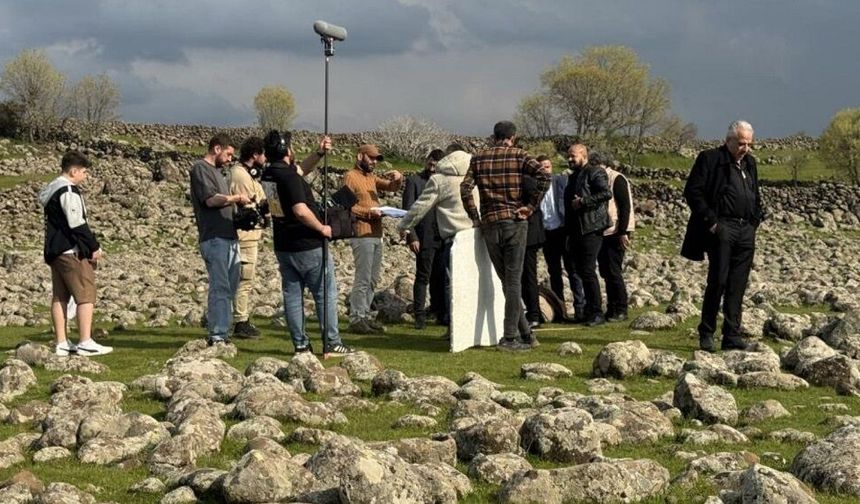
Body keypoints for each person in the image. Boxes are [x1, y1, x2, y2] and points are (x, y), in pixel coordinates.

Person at [260, 130, 354, 356]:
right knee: (325, 293)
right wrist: (322, 228)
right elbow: (301, 211)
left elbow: (302, 169)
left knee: (292, 296)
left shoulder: (270, 174)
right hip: (308, 244)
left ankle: (301, 345)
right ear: (285, 150)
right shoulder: (289, 177)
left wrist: (319, 153)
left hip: (283, 244)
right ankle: (331, 342)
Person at [460, 121, 550, 351]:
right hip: (514, 221)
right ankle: (509, 338)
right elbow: (544, 177)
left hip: (490, 224)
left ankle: (526, 335)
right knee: (512, 282)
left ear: (494, 136)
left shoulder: (478, 158)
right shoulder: (519, 156)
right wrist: (530, 206)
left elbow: (465, 188)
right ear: (514, 137)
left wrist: (475, 216)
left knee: (506, 282)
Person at [682, 120, 765, 352]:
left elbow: (755, 193)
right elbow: (693, 191)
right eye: (740, 143)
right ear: (728, 140)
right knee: (718, 280)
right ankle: (707, 332)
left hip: (745, 229)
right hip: (721, 227)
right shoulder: (709, 159)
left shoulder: (750, 163)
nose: (745, 147)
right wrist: (713, 223)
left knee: (738, 284)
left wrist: (755, 220)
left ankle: (732, 334)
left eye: (748, 143)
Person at [398, 147, 478, 339]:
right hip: (473, 236)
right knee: (468, 283)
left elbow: (418, 207)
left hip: (451, 238)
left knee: (450, 283)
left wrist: (404, 225)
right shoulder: (474, 178)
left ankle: (454, 326)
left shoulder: (441, 180)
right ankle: (469, 327)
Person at [39, 151, 113, 356]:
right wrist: (93, 247)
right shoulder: (68, 191)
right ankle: (85, 341)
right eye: (84, 171)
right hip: (70, 251)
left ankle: (61, 342)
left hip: (54, 251)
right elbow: (76, 222)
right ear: (73, 171)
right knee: (86, 294)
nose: (86, 176)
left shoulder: (51, 190)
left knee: (59, 296)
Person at [190, 133, 250, 345]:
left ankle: (222, 330)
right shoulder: (201, 169)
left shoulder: (218, 173)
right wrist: (235, 198)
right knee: (221, 286)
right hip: (214, 237)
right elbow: (210, 200)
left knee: (230, 286)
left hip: (228, 235)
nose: (230, 159)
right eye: (228, 154)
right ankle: (218, 334)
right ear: (217, 149)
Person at [344, 144, 403, 335]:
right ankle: (356, 318)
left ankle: (364, 317)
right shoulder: (350, 177)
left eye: (377, 159)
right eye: (372, 158)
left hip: (376, 234)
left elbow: (391, 187)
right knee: (363, 278)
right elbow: (345, 206)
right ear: (360, 156)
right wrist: (370, 213)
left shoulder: (371, 178)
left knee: (373, 278)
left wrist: (398, 178)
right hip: (361, 234)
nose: (374, 162)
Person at [563, 144, 611, 327]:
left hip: (591, 229)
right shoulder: (573, 176)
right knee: (578, 271)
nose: (570, 159)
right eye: (568, 156)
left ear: (584, 155)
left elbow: (606, 193)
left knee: (588, 271)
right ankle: (586, 310)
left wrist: (584, 201)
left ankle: (597, 312)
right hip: (576, 230)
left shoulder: (595, 172)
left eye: (573, 156)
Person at [538, 155, 586, 322]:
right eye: (542, 167)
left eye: (548, 166)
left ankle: (580, 309)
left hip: (563, 231)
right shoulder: (535, 187)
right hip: (546, 233)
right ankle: (560, 310)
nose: (545, 169)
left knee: (573, 270)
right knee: (554, 272)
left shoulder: (561, 182)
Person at [402, 149, 446, 329]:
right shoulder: (414, 181)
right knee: (423, 277)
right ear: (426, 161)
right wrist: (412, 236)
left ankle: (440, 312)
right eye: (430, 162)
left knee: (441, 277)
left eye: (436, 164)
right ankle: (419, 315)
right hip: (423, 236)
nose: (432, 166)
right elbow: (408, 210)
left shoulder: (444, 182)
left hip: (442, 235)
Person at [229, 136, 268, 339]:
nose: (265, 158)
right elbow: (251, 206)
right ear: (255, 155)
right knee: (244, 278)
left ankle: (240, 318)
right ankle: (240, 320)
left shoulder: (247, 175)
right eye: (263, 154)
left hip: (251, 235)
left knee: (246, 278)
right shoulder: (241, 176)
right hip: (245, 236)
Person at [593, 152, 635, 322]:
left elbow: (625, 206)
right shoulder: (603, 179)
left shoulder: (616, 179)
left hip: (616, 230)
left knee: (613, 270)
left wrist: (623, 232)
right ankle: (612, 308)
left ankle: (621, 309)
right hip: (605, 230)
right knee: (606, 271)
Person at [521, 173, 546, 328]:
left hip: (530, 234)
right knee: (525, 276)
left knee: (529, 275)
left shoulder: (527, 180)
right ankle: (532, 312)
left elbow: (536, 200)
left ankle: (534, 314)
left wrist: (527, 209)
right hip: (527, 233)